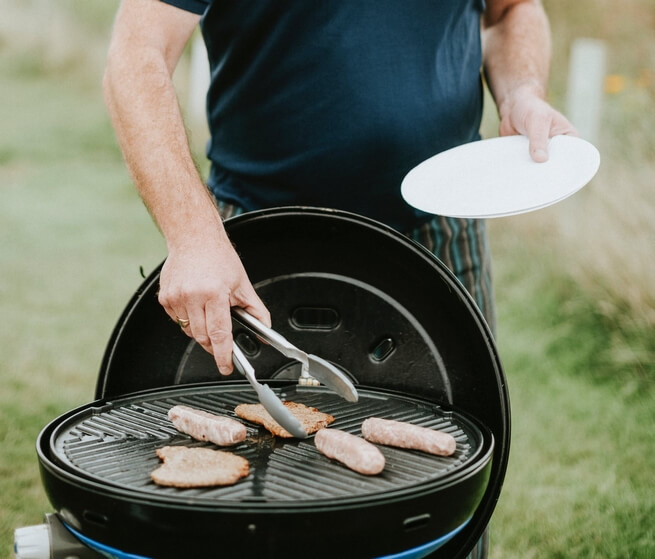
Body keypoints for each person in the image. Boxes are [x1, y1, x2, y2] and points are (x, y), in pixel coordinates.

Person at [103, 2, 575, 556]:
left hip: (440, 233)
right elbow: (138, 49)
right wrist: (191, 234)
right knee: (243, 503)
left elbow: (512, 9)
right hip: (255, 248)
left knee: (447, 501)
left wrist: (521, 91)